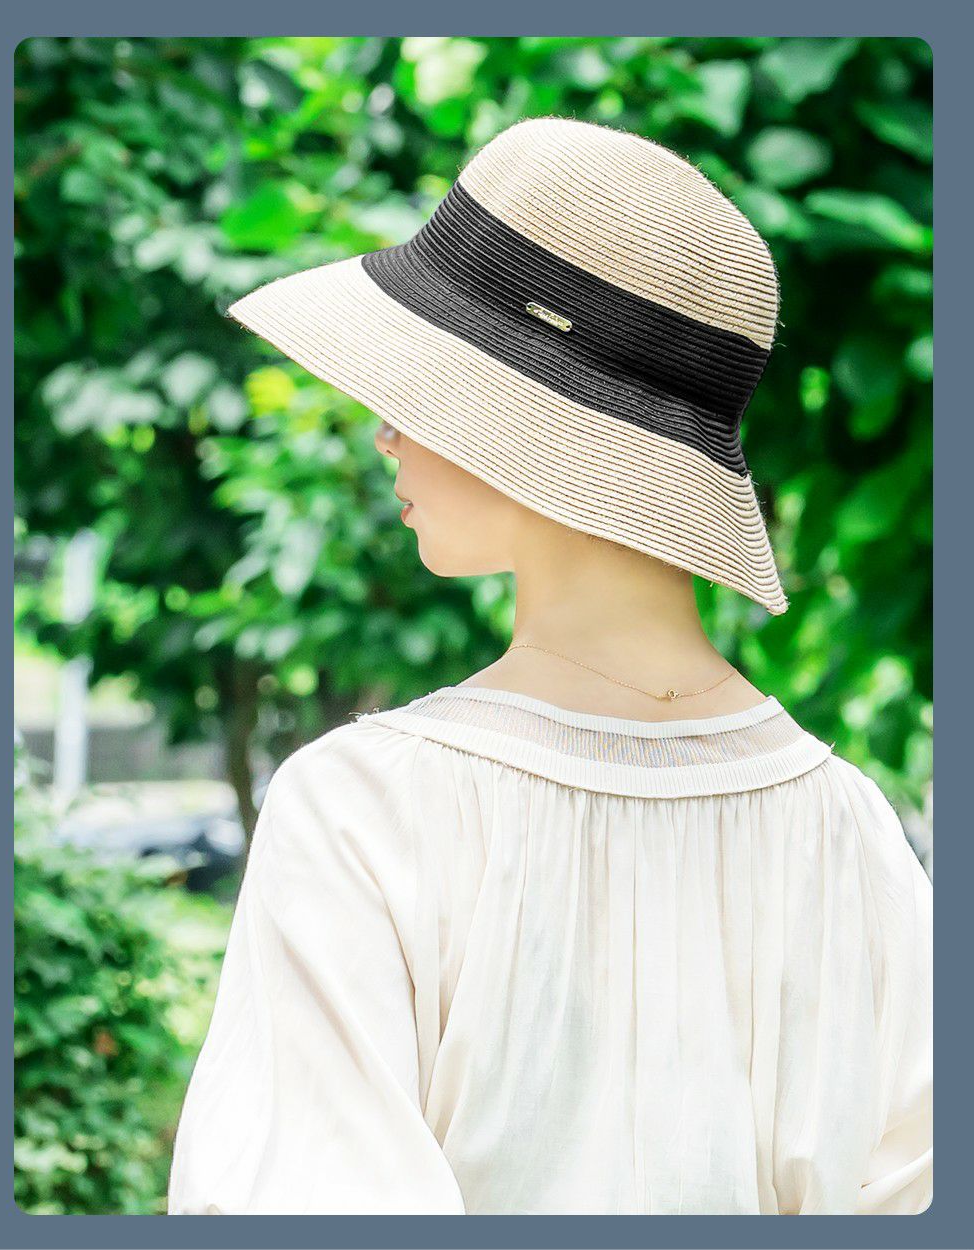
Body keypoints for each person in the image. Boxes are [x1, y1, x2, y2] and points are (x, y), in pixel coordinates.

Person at [166, 117, 932, 1215]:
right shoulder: (848, 831)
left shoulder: (365, 807)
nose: (384, 431)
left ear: (515, 415)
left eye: (413, 383)